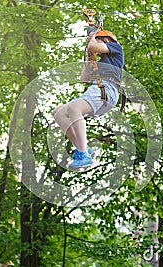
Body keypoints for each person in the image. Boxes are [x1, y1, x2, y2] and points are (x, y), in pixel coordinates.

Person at [52, 29, 124, 169]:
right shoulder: (101, 61)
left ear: (105, 41)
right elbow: (84, 78)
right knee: (58, 112)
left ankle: (83, 153)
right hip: (97, 89)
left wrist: (92, 37)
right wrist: (88, 57)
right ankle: (82, 146)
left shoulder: (116, 48)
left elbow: (92, 46)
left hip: (107, 89)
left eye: (97, 41)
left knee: (74, 109)